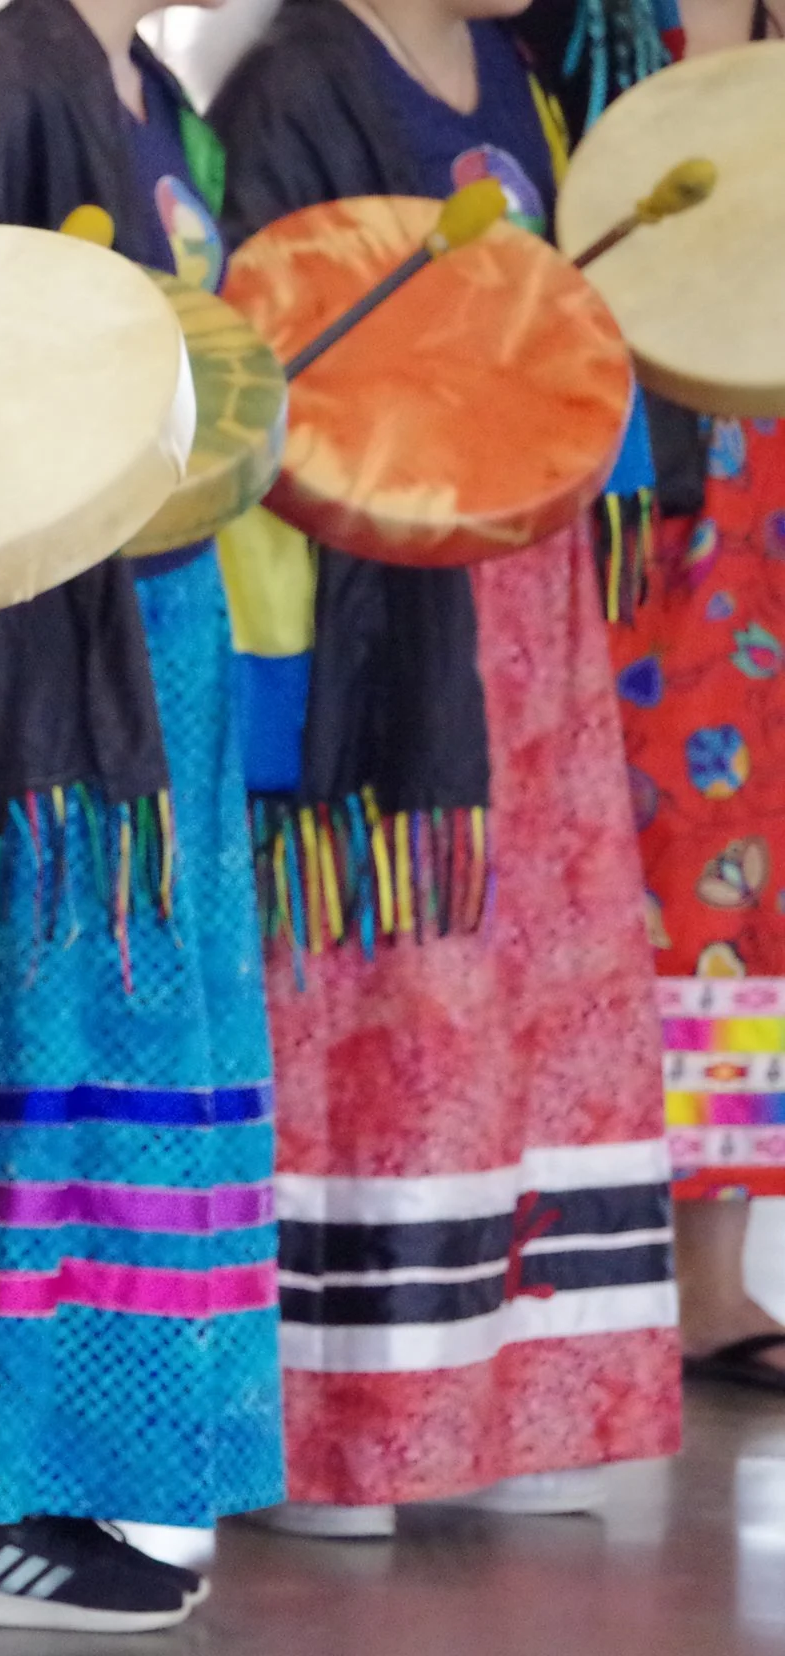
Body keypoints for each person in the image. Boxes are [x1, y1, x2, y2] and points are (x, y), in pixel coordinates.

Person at [212, 0, 681, 1537]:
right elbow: (286, 370)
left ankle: (524, 1392)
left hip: (528, 603)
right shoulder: (294, 81)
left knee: (544, 988)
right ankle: (357, 1426)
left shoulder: (521, 78)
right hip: (387, 608)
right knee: (398, 991)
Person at [0, 0, 282, 1632]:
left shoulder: (137, 82)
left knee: (137, 1033)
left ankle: (85, 1490)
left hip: (164, 636)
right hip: (49, 661)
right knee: (46, 1034)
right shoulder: (23, 71)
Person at [521, 0, 785, 1395]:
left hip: (754, 459)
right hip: (606, 461)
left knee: (732, 863)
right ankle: (551, 1258)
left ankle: (707, 1272)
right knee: (595, 848)